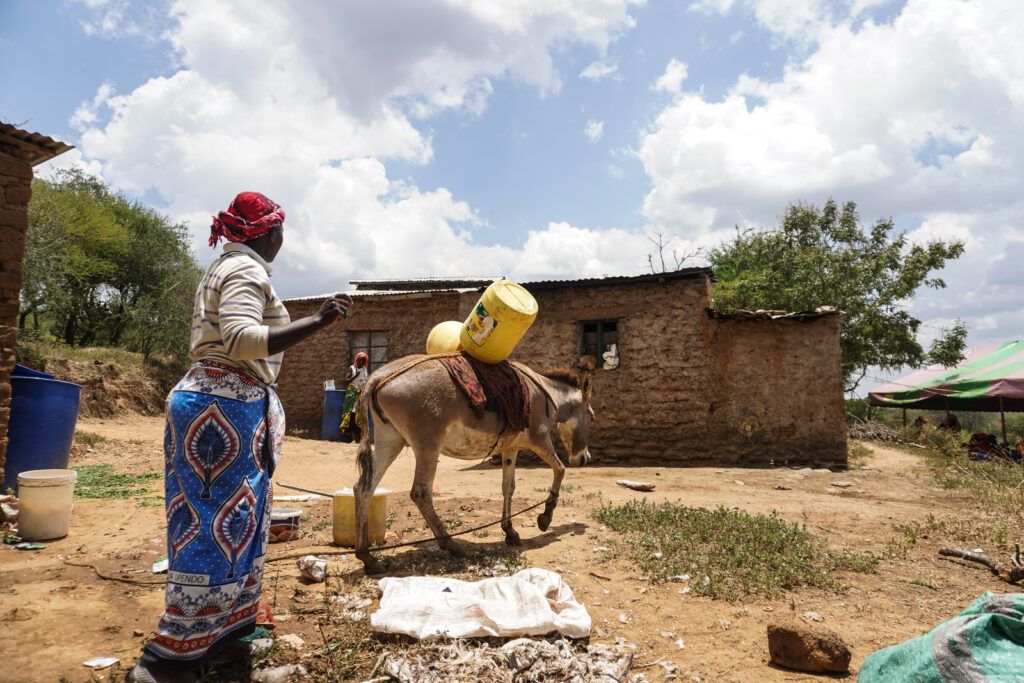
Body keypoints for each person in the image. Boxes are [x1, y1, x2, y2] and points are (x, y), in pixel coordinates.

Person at [131, 192, 352, 683]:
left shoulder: (224, 268)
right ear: (268, 233)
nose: (282, 240)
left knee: (239, 521)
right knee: (215, 525)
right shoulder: (246, 272)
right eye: (280, 231)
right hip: (224, 405)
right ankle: (171, 657)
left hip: (222, 400)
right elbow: (240, 337)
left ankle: (227, 634)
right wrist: (318, 321)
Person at [339, 352, 369, 442]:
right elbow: (345, 381)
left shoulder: (364, 369)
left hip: (361, 394)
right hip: (352, 394)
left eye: (363, 360)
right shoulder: (352, 369)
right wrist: (355, 376)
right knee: (349, 414)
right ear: (356, 360)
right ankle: (346, 436)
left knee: (359, 415)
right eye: (360, 360)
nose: (361, 362)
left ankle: (358, 437)